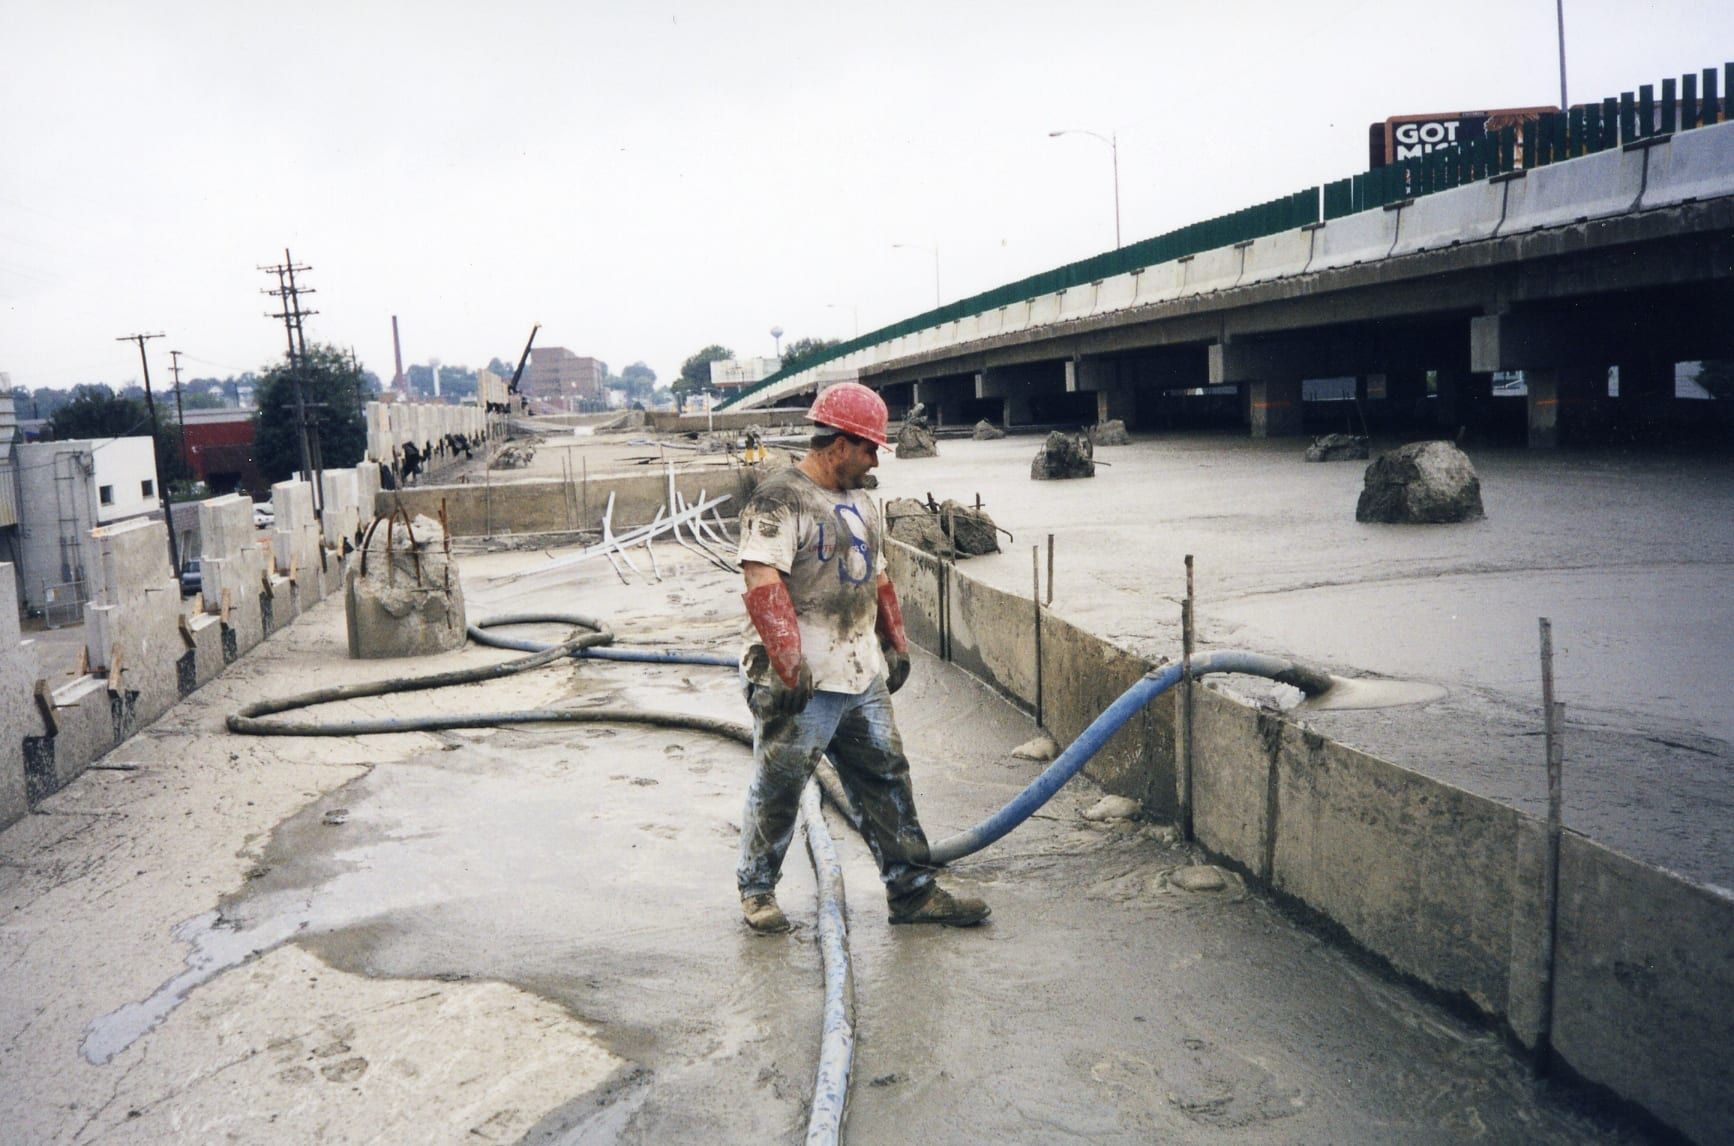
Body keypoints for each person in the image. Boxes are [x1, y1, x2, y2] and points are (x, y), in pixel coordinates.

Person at [734, 382, 990, 933]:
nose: (875, 459)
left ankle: (912, 891)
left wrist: (894, 640)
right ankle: (757, 890)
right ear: (840, 443)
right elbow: (761, 577)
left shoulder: (863, 503)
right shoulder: (780, 499)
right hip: (802, 680)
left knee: (887, 777)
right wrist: (786, 658)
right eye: (869, 447)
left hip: (858, 673)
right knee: (781, 784)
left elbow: (877, 577)